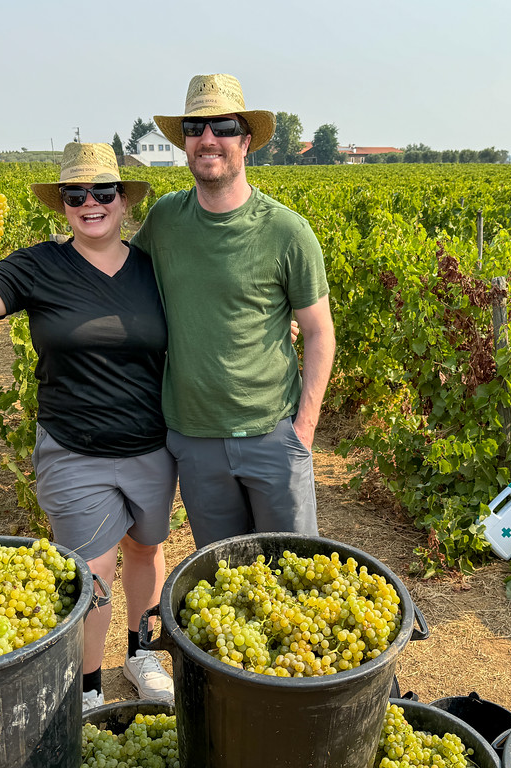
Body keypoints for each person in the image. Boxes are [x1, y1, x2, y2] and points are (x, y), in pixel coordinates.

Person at [0, 143, 174, 710]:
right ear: (62, 204)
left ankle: (141, 654)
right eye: (75, 194)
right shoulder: (40, 266)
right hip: (73, 450)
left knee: (146, 547)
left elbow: (216, 315)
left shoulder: (155, 270)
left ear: (123, 200)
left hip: (153, 447)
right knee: (91, 569)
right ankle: (87, 686)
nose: (91, 203)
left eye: (103, 192)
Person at [131, 73, 336, 549]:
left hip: (272, 435)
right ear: (184, 143)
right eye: (195, 128)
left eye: (222, 126)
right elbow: (117, 274)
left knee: (294, 574)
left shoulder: (288, 232)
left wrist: (302, 431)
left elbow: (319, 333)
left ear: (246, 141)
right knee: (225, 579)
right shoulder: (164, 220)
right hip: (194, 439)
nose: (208, 139)